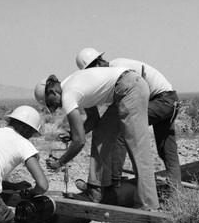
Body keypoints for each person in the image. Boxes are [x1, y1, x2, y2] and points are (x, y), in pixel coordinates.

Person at [34, 68, 160, 211]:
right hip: (125, 88)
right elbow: (93, 120)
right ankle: (97, 188)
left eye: (52, 104)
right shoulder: (73, 83)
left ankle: (148, 205)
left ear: (52, 92)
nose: (56, 107)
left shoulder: (68, 95)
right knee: (101, 132)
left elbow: (79, 141)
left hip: (130, 88)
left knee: (138, 150)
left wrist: (60, 162)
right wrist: (72, 133)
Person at [76, 48, 182, 191]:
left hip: (161, 101)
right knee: (168, 151)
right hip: (169, 101)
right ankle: (176, 193)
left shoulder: (117, 69)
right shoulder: (116, 67)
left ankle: (113, 181)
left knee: (121, 127)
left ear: (99, 63)